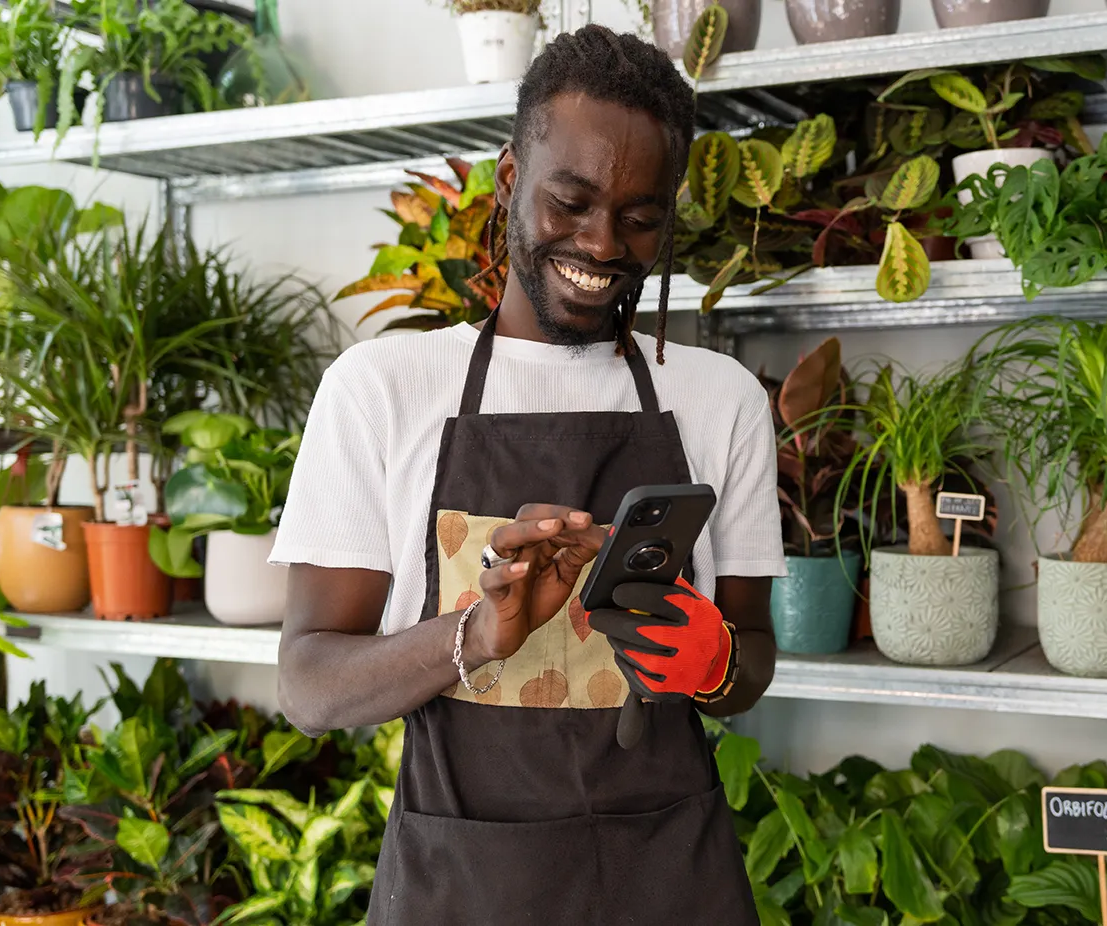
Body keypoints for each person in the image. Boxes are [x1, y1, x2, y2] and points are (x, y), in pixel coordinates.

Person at [269, 23, 786, 926]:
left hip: (668, 875)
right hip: (464, 882)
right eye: (570, 202)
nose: (602, 244)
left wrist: (714, 664)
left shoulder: (720, 399)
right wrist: (475, 632)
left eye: (640, 217)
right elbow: (310, 687)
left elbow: (751, 658)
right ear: (511, 179)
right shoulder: (384, 388)